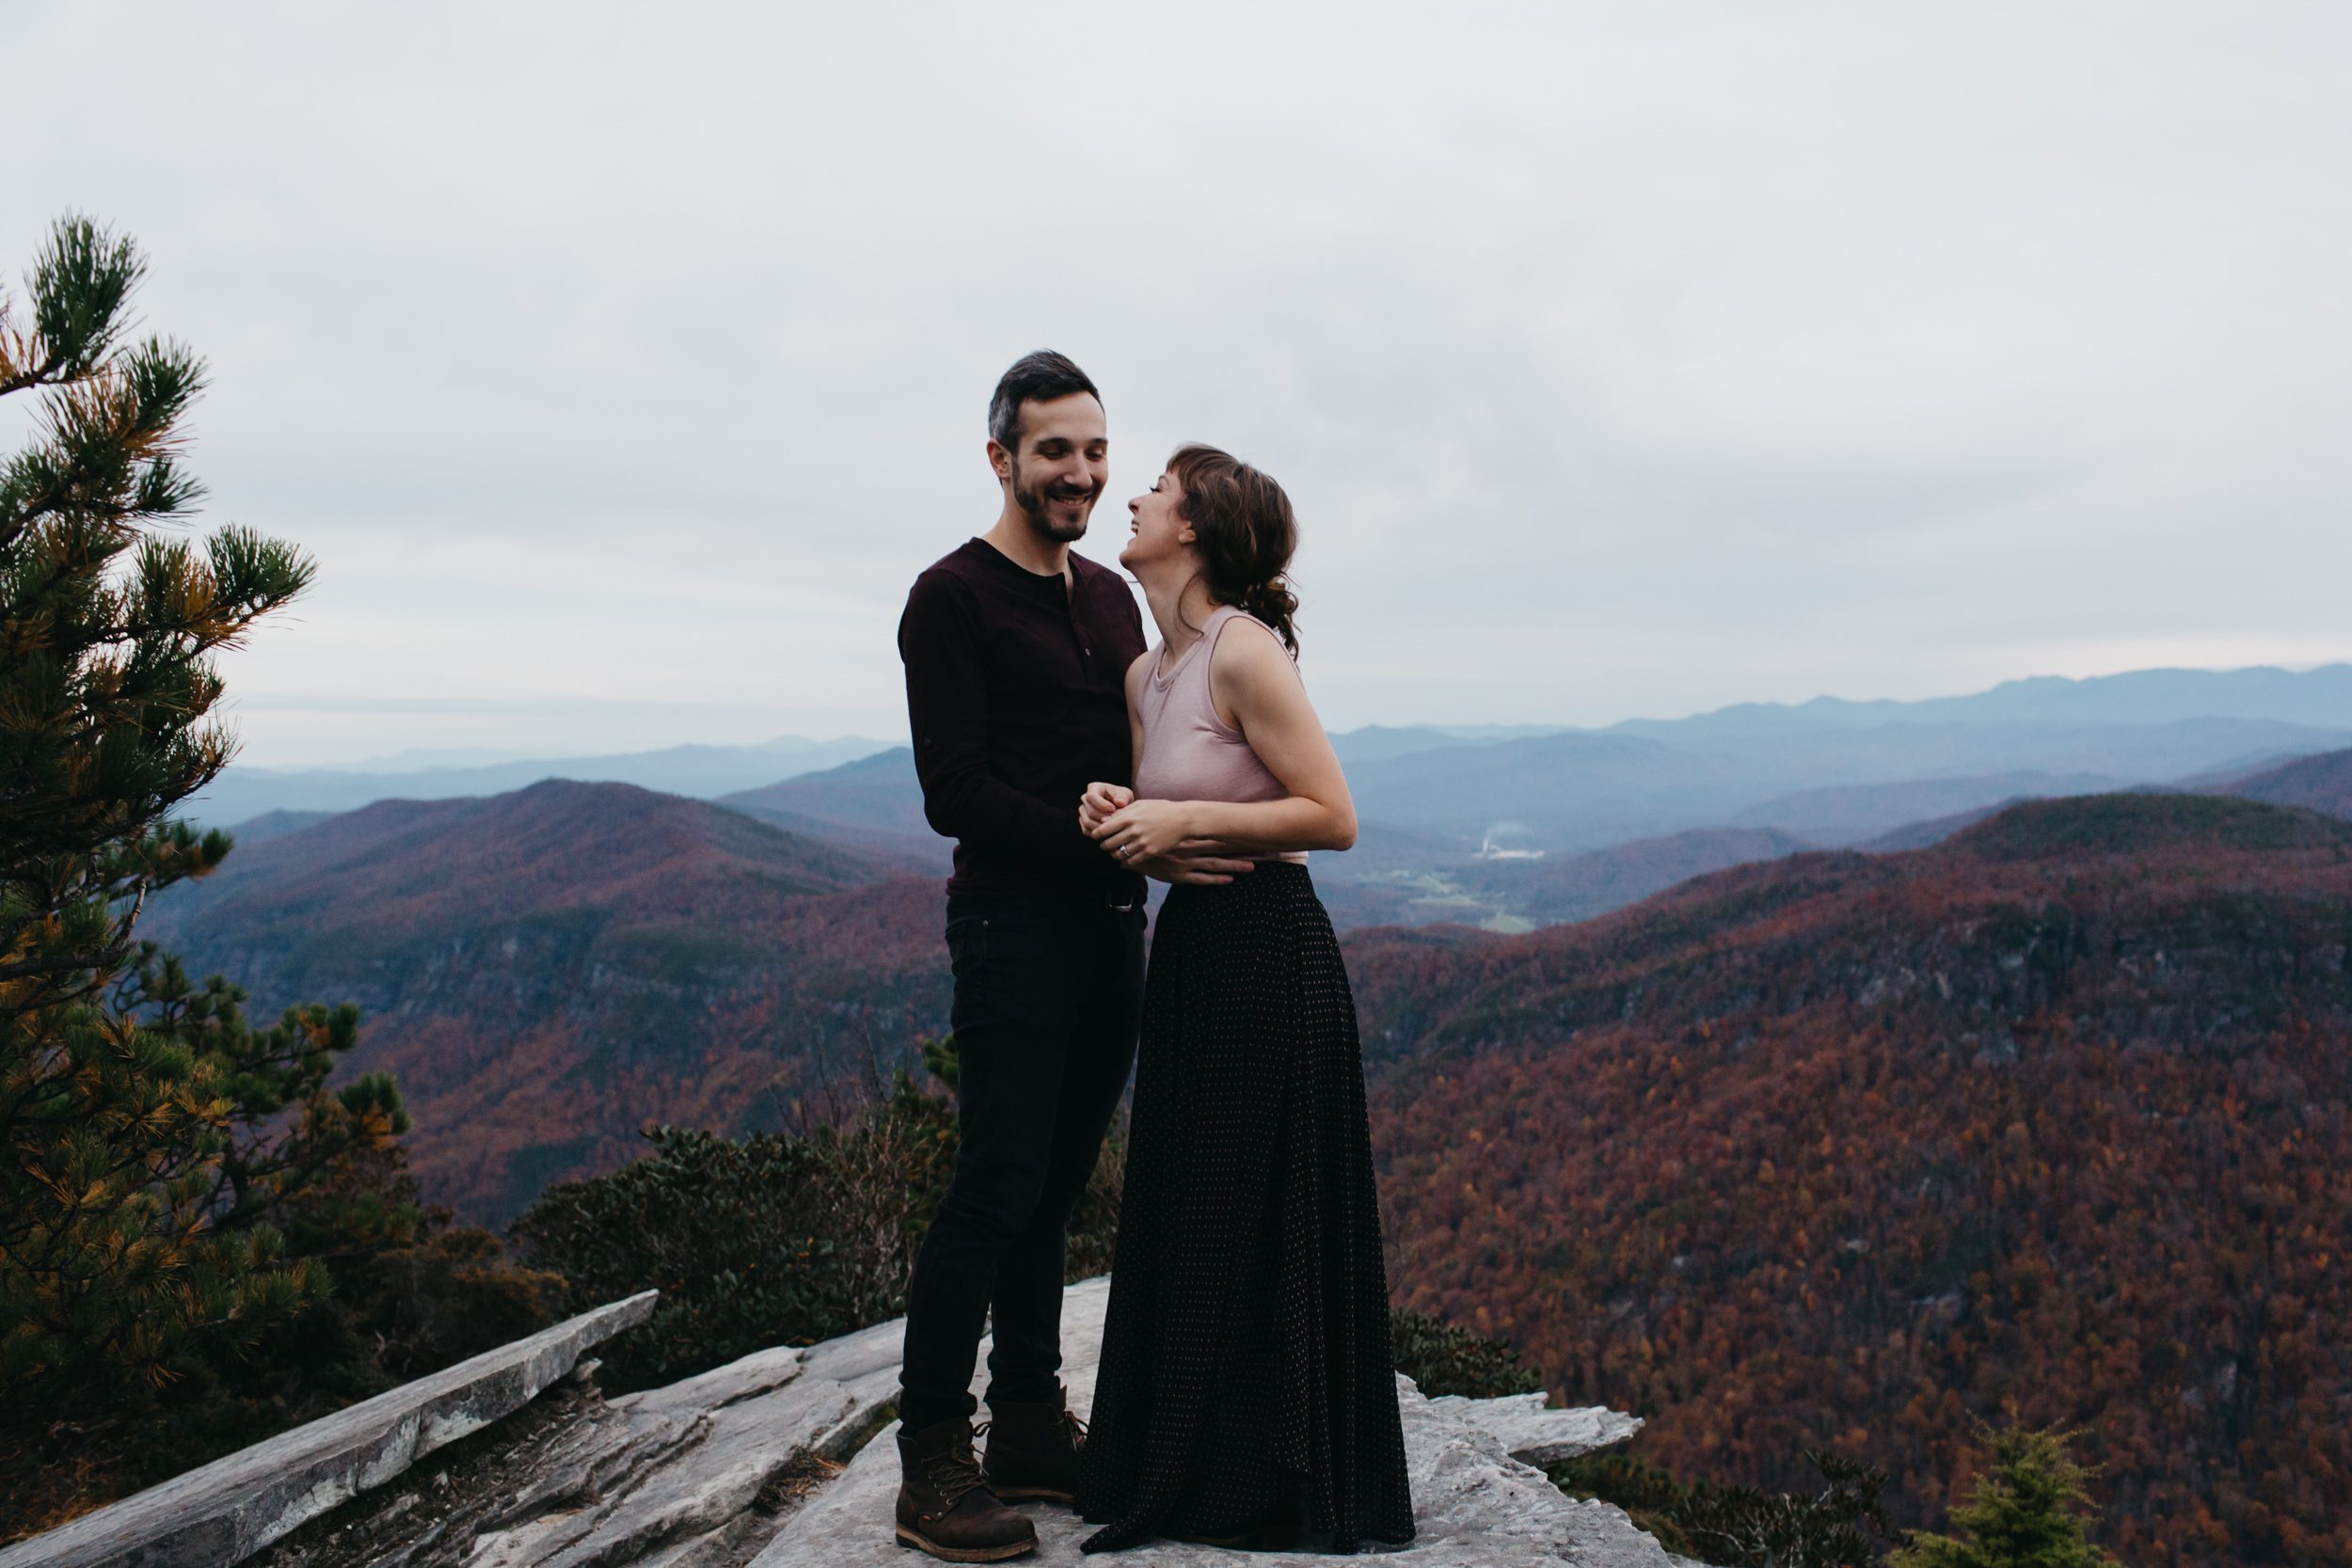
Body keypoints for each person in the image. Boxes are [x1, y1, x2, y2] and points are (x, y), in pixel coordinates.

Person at [892, 356, 1254, 1562]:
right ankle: (932, 1456)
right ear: (1001, 457)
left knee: (1051, 1192)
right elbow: (955, 793)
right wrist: (1097, 832)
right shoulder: (950, 598)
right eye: (1056, 451)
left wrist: (1189, 827)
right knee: (993, 1188)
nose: (1083, 474)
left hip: (1113, 930)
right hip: (1012, 931)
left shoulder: (1107, 598)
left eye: (1097, 452)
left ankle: (1031, 1424)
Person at [1073, 445, 1415, 1553]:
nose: (1129, 496)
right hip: (1194, 954)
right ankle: (1180, 1456)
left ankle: (1268, 1478)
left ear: (1196, 526)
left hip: (1272, 949)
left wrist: (1182, 826)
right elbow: (1169, 836)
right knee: (1188, 1201)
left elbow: (1331, 815)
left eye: (1155, 491)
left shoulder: (1244, 650)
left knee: (1261, 1205)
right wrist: (1124, 815)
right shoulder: (1145, 673)